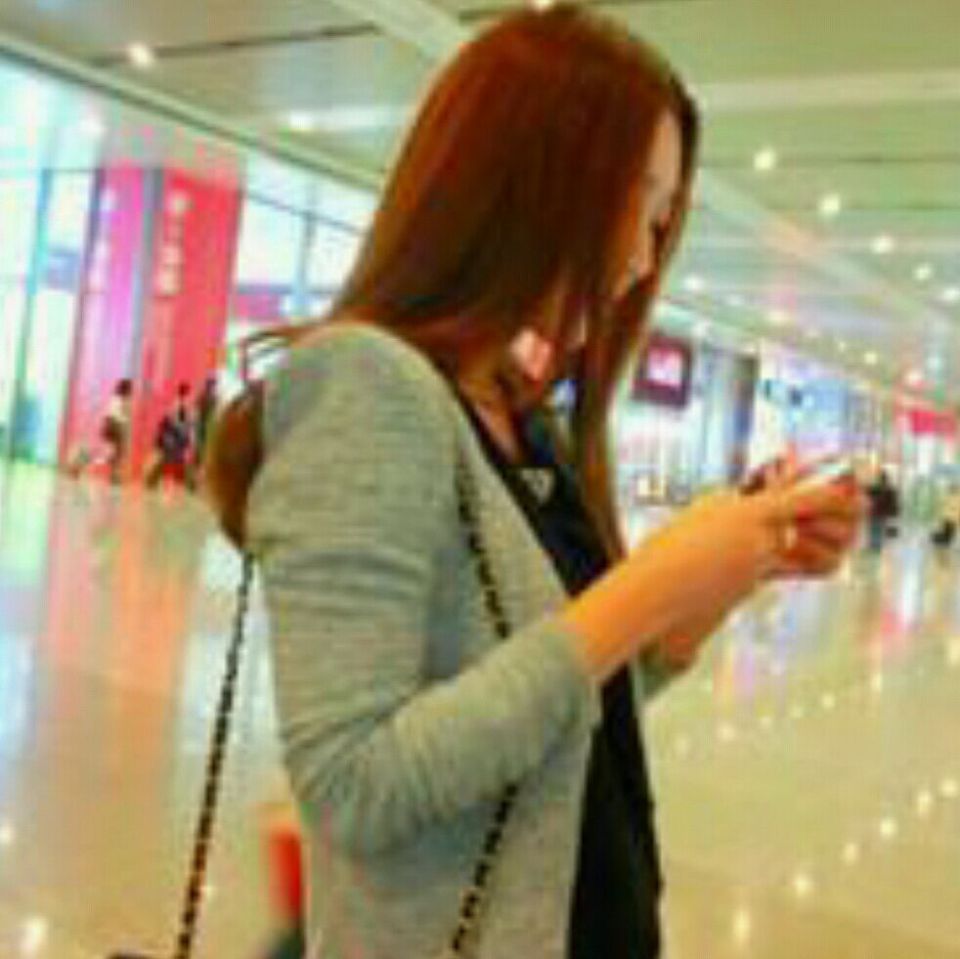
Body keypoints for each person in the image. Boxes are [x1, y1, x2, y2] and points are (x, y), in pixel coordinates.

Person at [205, 7, 863, 958]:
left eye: (663, 218)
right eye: (636, 202)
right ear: (524, 182)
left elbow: (561, 707)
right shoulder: (364, 384)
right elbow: (356, 783)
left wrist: (714, 586)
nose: (643, 256)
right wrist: (649, 586)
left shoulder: (523, 417)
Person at [146, 383, 193, 490]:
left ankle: (152, 480)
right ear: (185, 393)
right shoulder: (179, 404)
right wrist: (183, 431)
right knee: (169, 458)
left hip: (173, 434)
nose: (189, 396)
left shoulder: (180, 404)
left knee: (174, 458)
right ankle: (152, 480)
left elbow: (180, 421)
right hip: (171, 434)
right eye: (188, 394)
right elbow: (174, 421)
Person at [100, 378, 133, 484]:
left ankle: (114, 476)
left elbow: (108, 414)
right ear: (127, 389)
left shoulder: (114, 398)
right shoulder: (124, 400)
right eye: (131, 389)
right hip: (118, 426)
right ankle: (115, 476)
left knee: (112, 453)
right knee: (118, 454)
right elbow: (125, 415)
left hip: (111, 425)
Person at [866, 468, 900, 552]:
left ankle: (874, 546)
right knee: (878, 529)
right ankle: (876, 546)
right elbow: (894, 503)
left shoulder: (878, 488)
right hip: (881, 513)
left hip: (876, 512)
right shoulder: (889, 489)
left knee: (875, 529)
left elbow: (868, 493)